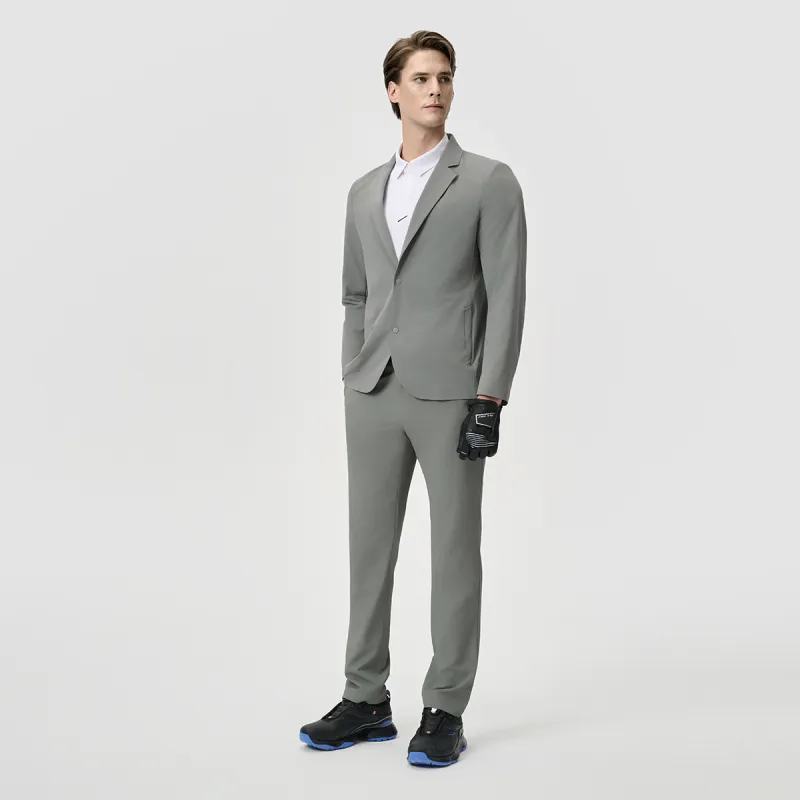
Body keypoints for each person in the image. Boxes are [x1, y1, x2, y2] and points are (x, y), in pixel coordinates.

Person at [299, 29, 527, 768]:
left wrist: (490, 395)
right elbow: (355, 293)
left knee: (455, 551)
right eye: (422, 78)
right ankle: (364, 698)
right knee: (368, 548)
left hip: (453, 392)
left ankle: (445, 707)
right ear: (393, 91)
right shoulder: (364, 190)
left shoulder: (488, 182)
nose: (436, 88)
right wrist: (352, 367)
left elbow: (507, 296)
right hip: (373, 391)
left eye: (445, 76)